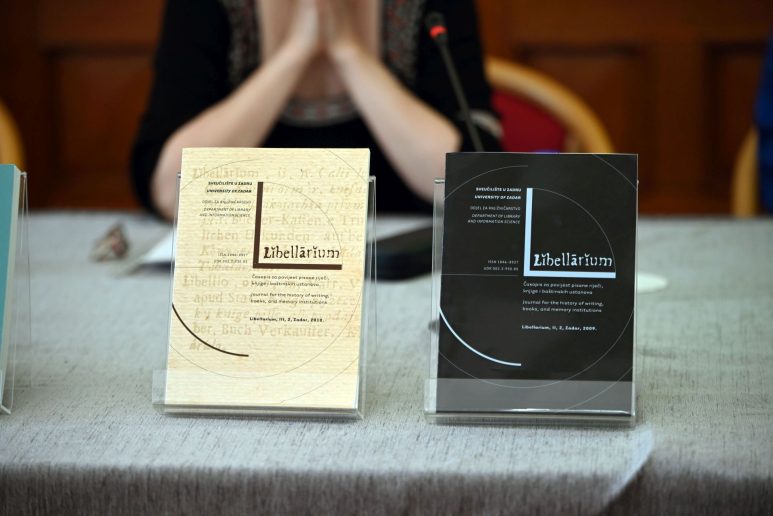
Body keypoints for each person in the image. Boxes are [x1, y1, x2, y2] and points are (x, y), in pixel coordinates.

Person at [131, 0, 501, 220]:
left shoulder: (430, 5)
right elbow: (169, 191)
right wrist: (294, 53)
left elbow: (476, 184)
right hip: (246, 274)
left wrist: (348, 53)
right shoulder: (208, 7)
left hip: (404, 275)